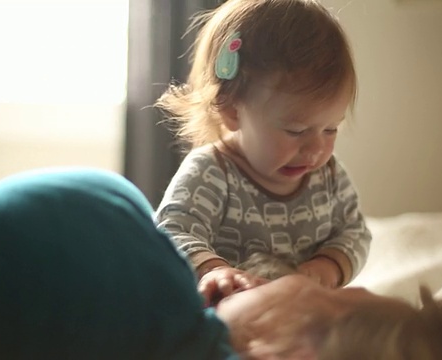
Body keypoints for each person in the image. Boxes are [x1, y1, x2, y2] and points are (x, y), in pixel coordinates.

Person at [0, 168, 442, 359]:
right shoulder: (212, 178)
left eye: (336, 296)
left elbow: (350, 238)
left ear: (295, 345)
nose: (272, 278)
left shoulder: (161, 309)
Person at [154, 0, 371, 304]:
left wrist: (328, 267)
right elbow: (171, 232)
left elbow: (355, 233)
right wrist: (214, 271)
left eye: (331, 129)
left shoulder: (329, 175)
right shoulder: (211, 172)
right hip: (231, 309)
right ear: (232, 111)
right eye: (296, 131)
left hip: (303, 312)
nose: (316, 149)